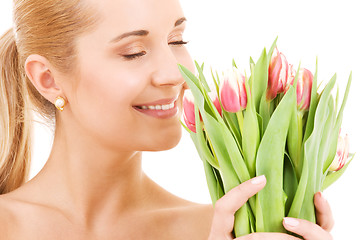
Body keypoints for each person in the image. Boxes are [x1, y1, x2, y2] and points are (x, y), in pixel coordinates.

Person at [0, 0, 334, 239]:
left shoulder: (227, 229)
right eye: (134, 52)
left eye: (177, 41)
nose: (176, 74)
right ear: (48, 79)